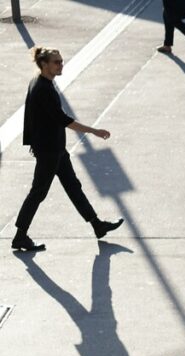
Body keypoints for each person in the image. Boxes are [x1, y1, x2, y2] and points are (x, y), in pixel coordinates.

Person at [11, 47, 123, 253]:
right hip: (49, 151)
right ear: (44, 64)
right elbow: (63, 119)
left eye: (61, 61)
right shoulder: (42, 88)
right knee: (38, 192)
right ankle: (20, 235)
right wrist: (94, 131)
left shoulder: (41, 82)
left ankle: (97, 225)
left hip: (55, 148)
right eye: (56, 62)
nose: (61, 65)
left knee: (73, 186)